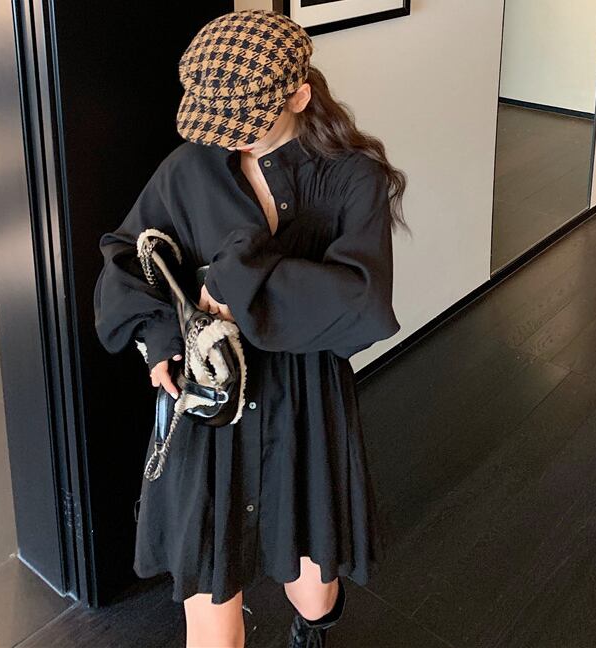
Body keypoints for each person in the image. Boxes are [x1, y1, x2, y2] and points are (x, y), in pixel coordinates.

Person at [93, 8, 408, 648]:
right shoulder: (188, 168)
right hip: (211, 401)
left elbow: (363, 304)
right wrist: (160, 340)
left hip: (304, 400)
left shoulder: (353, 177)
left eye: (243, 121)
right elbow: (128, 255)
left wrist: (237, 278)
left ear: (299, 95)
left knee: (314, 591)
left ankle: (311, 631)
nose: (226, 139)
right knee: (211, 606)